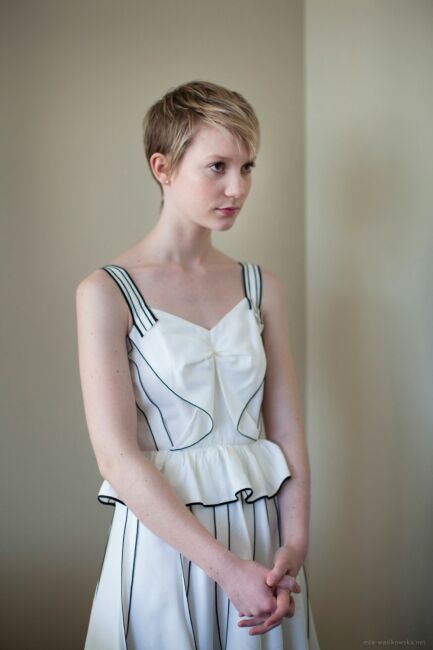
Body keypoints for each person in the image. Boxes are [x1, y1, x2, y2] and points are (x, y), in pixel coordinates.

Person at [76, 80, 320, 649]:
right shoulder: (106, 293)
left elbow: (286, 432)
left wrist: (294, 545)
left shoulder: (261, 287)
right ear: (162, 168)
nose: (238, 187)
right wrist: (226, 569)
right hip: (165, 547)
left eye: (247, 166)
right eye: (217, 167)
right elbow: (116, 456)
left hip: (262, 544)